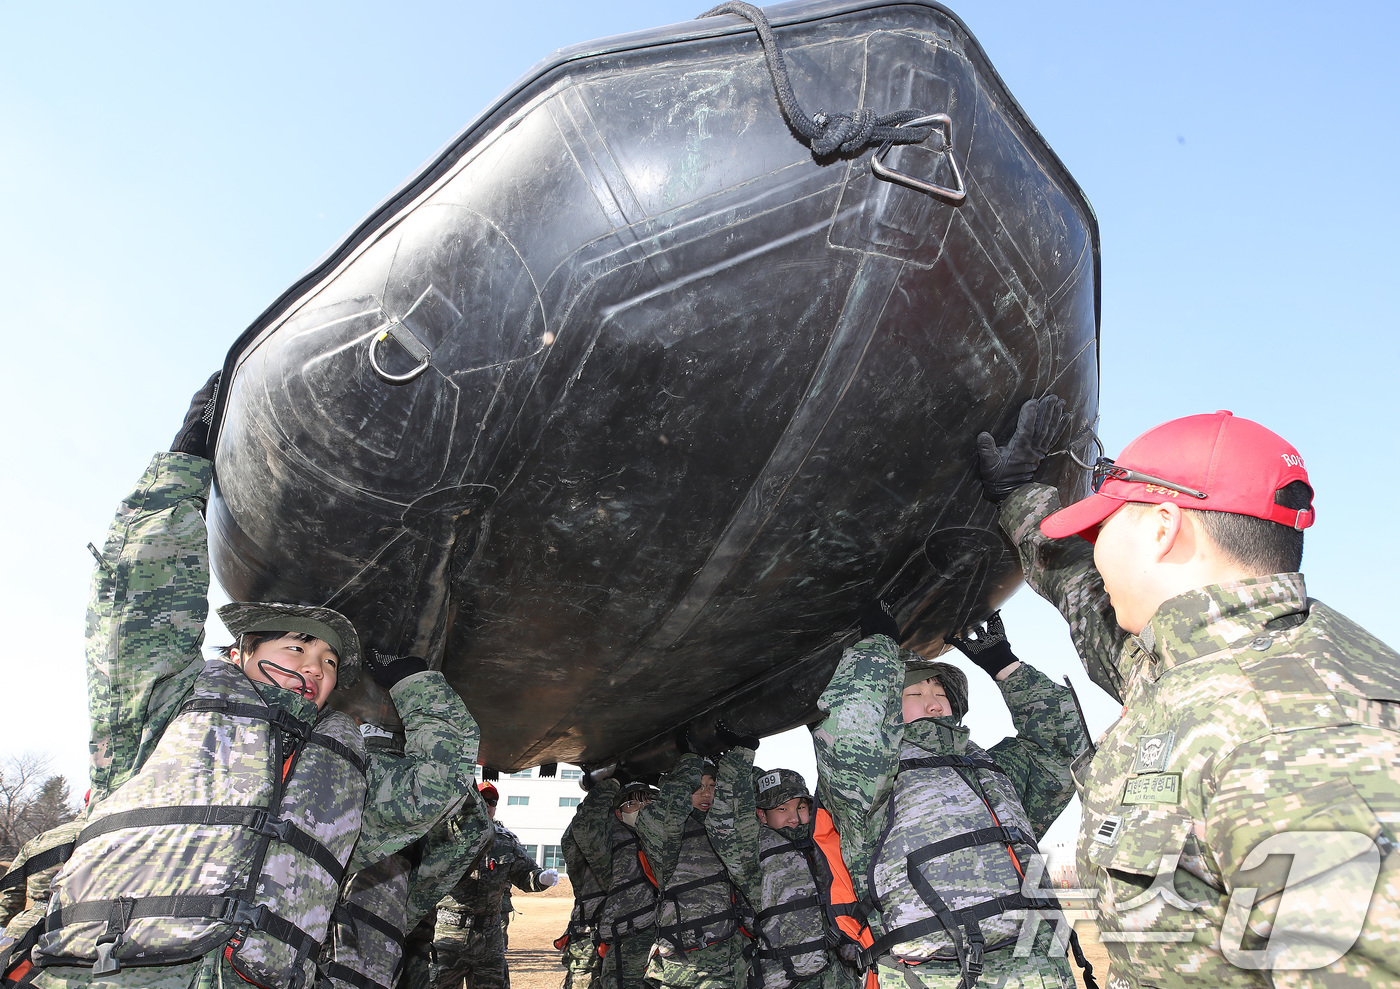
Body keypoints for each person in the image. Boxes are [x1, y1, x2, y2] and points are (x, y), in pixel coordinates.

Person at [30, 373, 480, 989]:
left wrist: (415, 684)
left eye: (329, 664)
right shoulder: (170, 708)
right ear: (241, 652)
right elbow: (138, 597)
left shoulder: (351, 777)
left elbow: (443, 776)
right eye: (296, 646)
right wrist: (184, 466)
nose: (313, 669)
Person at [980, 399, 1400, 986]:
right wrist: (1019, 493)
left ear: (1163, 526)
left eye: (1103, 527)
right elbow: (1080, 586)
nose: (1095, 548)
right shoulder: (1196, 665)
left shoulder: (1297, 737)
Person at [813, 600, 1088, 989]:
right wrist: (878, 646)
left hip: (1039, 967)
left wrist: (1005, 667)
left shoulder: (992, 770)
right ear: (888, 701)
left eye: (940, 690)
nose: (935, 700)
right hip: (930, 975)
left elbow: (1062, 750)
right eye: (915, 692)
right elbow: (853, 726)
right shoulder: (871, 780)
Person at [319, 722, 495, 989]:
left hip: (375, 949)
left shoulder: (331, 785)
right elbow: (474, 832)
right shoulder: (427, 817)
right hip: (386, 948)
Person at [704, 752, 845, 989]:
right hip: (784, 978)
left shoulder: (826, 838)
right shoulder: (749, 850)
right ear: (762, 815)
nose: (793, 818)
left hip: (837, 975)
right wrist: (739, 754)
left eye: (800, 807)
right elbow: (723, 820)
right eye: (782, 809)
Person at [430, 781, 559, 989]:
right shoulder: (446, 836)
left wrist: (541, 878)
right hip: (449, 935)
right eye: (482, 799)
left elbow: (525, 874)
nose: (487, 805)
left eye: (492, 801)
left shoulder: (504, 841)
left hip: (489, 938)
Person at [636, 755, 749, 989]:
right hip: (682, 962)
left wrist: (732, 756)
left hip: (730, 957)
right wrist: (689, 758)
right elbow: (668, 815)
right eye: (697, 787)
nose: (706, 794)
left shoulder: (727, 828)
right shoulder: (666, 831)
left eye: (712, 786)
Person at [565, 780, 660, 989]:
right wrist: (610, 783)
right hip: (626, 945)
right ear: (618, 813)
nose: (642, 809)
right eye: (632, 804)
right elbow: (585, 827)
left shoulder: (665, 838)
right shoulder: (607, 845)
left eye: (647, 803)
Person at [0, 819, 84, 985]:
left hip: (29, 932)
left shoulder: (42, 839)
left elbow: (11, 893)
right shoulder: (117, 833)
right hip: (83, 927)